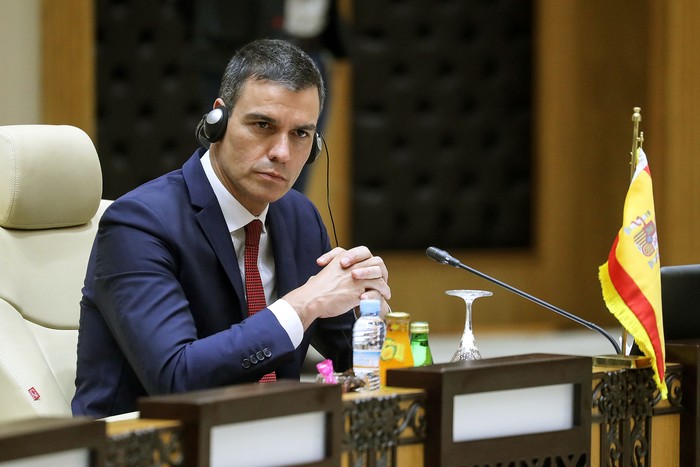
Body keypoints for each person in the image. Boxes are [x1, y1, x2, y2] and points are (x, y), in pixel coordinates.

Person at [72, 39, 390, 418]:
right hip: (146, 448)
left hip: (271, 443)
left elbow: (352, 360)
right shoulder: (138, 224)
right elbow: (176, 379)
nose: (282, 153)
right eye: (262, 125)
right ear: (217, 121)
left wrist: (372, 315)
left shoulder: (299, 218)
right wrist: (303, 304)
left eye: (301, 134)